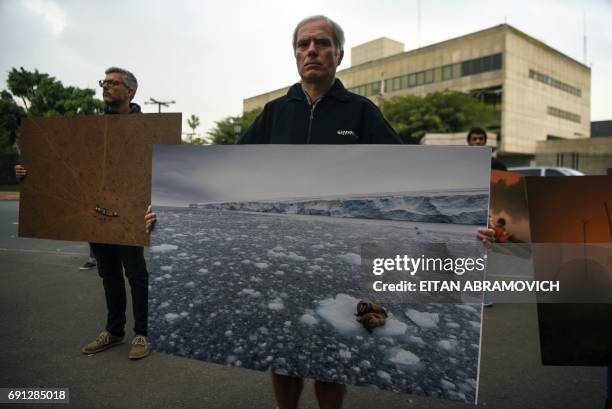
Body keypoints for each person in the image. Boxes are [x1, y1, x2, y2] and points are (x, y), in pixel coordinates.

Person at [147, 14, 401, 409]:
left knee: (331, 354)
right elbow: (228, 173)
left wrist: (476, 223)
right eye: (303, 44)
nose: (311, 50)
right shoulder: (275, 112)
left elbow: (397, 171)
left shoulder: (361, 112)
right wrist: (169, 208)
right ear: (295, 54)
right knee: (285, 355)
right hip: (281, 246)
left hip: (338, 251)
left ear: (339, 53)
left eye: (321, 43)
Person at [16, 67, 150, 360]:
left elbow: (157, 168)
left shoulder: (147, 127)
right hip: (97, 212)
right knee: (109, 273)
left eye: (113, 83)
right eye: (104, 82)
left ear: (130, 91)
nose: (106, 86)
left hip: (129, 212)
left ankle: (143, 333)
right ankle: (114, 331)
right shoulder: (92, 126)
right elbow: (65, 165)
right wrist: (30, 173)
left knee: (136, 274)